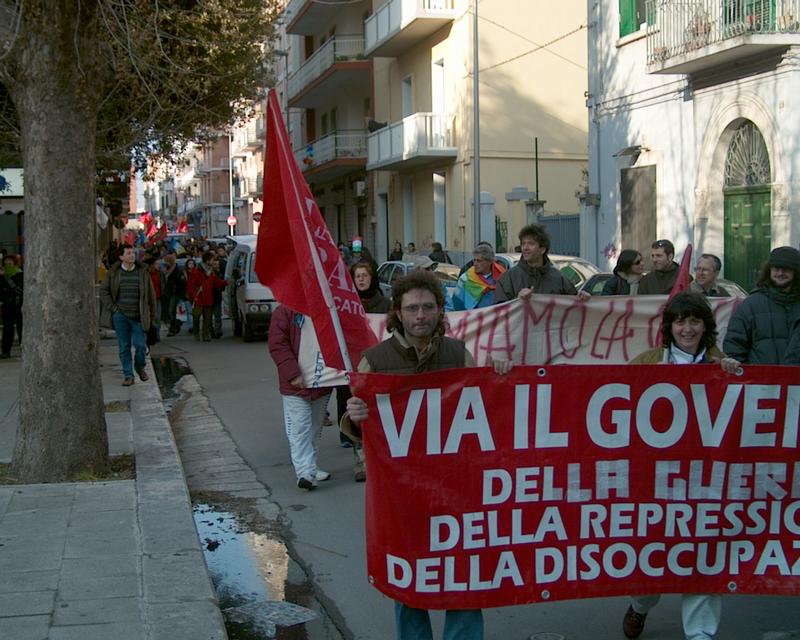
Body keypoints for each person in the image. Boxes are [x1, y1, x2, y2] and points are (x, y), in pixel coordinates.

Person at [344, 270, 512, 640]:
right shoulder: (374, 360)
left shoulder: (457, 353)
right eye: (413, 308)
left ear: (440, 311)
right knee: (410, 577)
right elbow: (362, 428)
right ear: (398, 314)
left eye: (428, 307)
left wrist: (500, 376)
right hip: (402, 495)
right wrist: (354, 418)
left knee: (463, 574)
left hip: (457, 488)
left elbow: (487, 409)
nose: (421, 315)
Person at [623, 291, 740, 640]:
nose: (687, 329)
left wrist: (736, 375)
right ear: (669, 327)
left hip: (706, 477)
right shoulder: (647, 361)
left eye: (694, 321)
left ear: (705, 326)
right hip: (656, 478)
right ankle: (640, 605)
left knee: (704, 552)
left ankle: (700, 633)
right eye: (680, 321)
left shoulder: (723, 364)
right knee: (653, 555)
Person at [268, 305, 332, 490]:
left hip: (321, 382)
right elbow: (278, 345)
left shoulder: (323, 309)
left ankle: (310, 467)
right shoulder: (283, 312)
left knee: (315, 425)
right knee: (299, 427)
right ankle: (304, 472)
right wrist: (293, 374)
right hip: (295, 385)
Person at [338, 261, 391, 482]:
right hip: (352, 366)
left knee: (377, 412)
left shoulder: (385, 304)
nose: (361, 279)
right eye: (357, 276)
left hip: (378, 366)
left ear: (372, 278)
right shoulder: (345, 305)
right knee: (358, 411)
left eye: (365, 275)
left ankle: (380, 458)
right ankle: (360, 460)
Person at [722, 246, 800, 364]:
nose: (780, 273)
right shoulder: (750, 305)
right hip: (763, 381)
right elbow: (734, 347)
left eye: (786, 269)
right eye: (776, 268)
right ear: (769, 269)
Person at [100, 244, 156, 386]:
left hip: (138, 316)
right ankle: (128, 375)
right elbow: (104, 291)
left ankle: (140, 366)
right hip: (121, 316)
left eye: (133, 252)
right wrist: (114, 308)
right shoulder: (114, 273)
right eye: (128, 253)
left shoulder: (142, 272)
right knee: (124, 346)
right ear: (121, 257)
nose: (132, 255)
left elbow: (150, 295)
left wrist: (152, 316)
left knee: (141, 345)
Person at [494, 224, 588, 302]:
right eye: (523, 243)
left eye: (531, 243)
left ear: (542, 249)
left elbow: (573, 308)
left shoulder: (558, 279)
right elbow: (499, 313)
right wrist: (517, 300)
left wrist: (583, 298)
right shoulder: (509, 278)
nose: (525, 248)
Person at [450, 243, 506, 310]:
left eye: (479, 261)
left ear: (490, 262)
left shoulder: (502, 277)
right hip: (474, 318)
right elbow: (456, 304)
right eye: (474, 260)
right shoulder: (465, 279)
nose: (475, 264)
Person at [186, 251, 227, 342]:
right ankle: (196, 333)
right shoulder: (197, 271)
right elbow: (191, 285)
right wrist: (193, 296)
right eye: (212, 260)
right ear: (207, 261)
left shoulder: (210, 271)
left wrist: (226, 282)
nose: (213, 262)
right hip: (199, 297)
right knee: (196, 316)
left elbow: (217, 282)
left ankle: (205, 335)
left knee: (207, 318)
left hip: (207, 298)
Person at [0, 254, 23, 359]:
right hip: (7, 305)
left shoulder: (20, 274)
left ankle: (24, 349)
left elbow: (21, 289)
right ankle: (5, 351)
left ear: (14, 263)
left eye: (10, 262)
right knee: (7, 329)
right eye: (5, 263)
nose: (7, 264)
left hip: (19, 305)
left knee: (21, 328)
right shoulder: (2, 276)